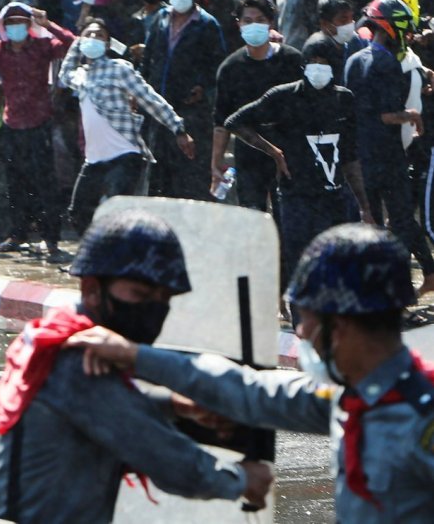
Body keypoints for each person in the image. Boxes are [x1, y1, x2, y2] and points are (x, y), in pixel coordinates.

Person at [68, 223, 434, 524]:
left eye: (303, 319)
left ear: (338, 326)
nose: (301, 333)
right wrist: (137, 356)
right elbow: (251, 390)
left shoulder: (421, 415)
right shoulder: (351, 397)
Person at [0, 208, 274, 522]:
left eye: (164, 299)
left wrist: (174, 406)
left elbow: (103, 411)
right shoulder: (76, 360)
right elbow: (167, 459)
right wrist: (242, 479)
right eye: (141, 293)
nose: (153, 310)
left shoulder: (50, 336)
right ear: (92, 289)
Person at [225, 33, 372, 316]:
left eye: (324, 62)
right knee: (300, 262)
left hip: (334, 197)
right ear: (304, 65)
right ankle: (301, 326)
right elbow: (236, 122)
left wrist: (364, 205)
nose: (319, 68)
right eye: (313, 62)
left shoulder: (343, 100)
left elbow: (351, 157)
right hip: (296, 197)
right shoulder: (283, 96)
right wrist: (273, 151)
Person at [0, 2, 75, 261]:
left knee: (46, 184)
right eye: (10, 23)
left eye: (21, 22)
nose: (16, 27)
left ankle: (51, 239)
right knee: (15, 183)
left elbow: (72, 44)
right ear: (3, 27)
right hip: (12, 125)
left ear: (29, 24)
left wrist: (48, 24)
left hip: (40, 123)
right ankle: (17, 233)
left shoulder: (42, 46)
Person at [59, 17, 195, 235]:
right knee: (78, 212)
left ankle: (120, 262)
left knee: (116, 209)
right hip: (94, 160)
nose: (93, 38)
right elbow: (64, 73)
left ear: (107, 43)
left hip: (124, 154)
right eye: (89, 35)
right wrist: (77, 42)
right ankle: (95, 258)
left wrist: (178, 128)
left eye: (99, 35)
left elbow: (150, 99)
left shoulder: (119, 68)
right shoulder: (80, 74)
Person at [344, 0, 434, 296]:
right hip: (388, 153)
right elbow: (386, 115)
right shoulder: (387, 64)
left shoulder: (354, 58)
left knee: (373, 220)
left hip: (361, 153)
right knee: (400, 219)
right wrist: (411, 115)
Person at [142, 0, 226, 201]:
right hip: (159, 108)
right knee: (158, 172)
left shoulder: (207, 25)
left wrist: (203, 88)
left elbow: (217, 67)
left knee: (191, 171)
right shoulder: (159, 19)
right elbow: (148, 59)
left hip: (192, 111)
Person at [213, 0, 303, 210]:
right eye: (247, 20)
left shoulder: (291, 60)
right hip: (249, 151)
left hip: (289, 149)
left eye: (260, 19)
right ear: (239, 24)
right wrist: (215, 164)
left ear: (270, 22)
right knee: (252, 212)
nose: (254, 25)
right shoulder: (230, 68)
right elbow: (221, 121)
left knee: (288, 214)